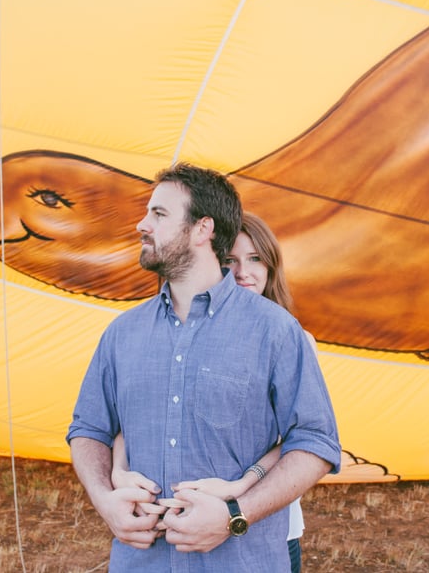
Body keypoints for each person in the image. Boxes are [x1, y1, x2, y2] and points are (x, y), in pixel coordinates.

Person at [67, 163, 341, 571]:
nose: (143, 224)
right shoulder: (122, 333)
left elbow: (316, 441)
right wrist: (105, 499)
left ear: (202, 229)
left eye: (159, 214)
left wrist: (236, 514)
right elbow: (89, 430)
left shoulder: (276, 331)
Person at [110, 211, 314, 572]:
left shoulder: (290, 336)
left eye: (255, 260)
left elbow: (303, 439)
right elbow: (141, 410)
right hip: (172, 531)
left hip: (265, 526)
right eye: (230, 261)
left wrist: (239, 486)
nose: (242, 272)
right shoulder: (160, 328)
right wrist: (118, 471)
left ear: (271, 266)